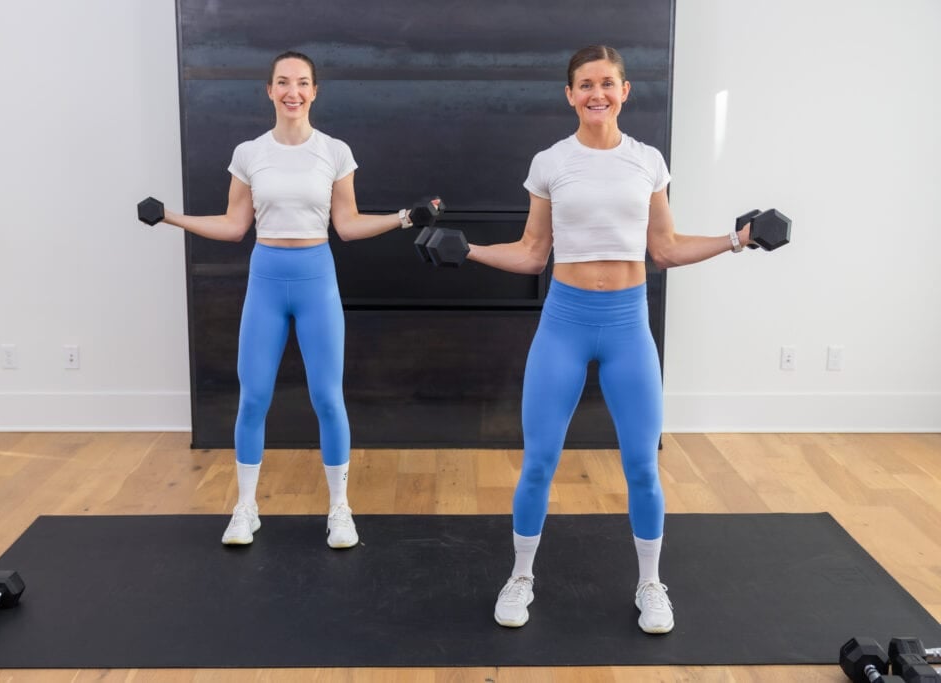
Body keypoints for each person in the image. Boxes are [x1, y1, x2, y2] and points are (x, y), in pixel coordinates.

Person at [467, 45, 754, 634]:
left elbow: (666, 249)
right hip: (564, 321)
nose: (596, 93)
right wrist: (465, 250)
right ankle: (521, 574)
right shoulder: (550, 162)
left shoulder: (647, 161)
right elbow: (531, 254)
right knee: (540, 460)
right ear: (569, 95)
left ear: (625, 91)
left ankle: (651, 583)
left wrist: (735, 238)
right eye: (584, 84)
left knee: (642, 464)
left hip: (628, 324)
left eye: (607, 82)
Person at [154, 51, 436, 548]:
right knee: (254, 397)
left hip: (315, 278)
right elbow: (234, 225)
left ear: (314, 91)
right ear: (269, 90)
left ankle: (340, 510)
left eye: (302, 83)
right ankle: (245, 508)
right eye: (283, 82)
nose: (293, 91)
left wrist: (405, 218)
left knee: (327, 397)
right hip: (266, 278)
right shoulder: (249, 153)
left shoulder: (334, 151)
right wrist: (170, 217)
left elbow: (347, 226)